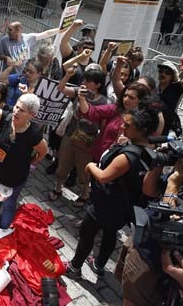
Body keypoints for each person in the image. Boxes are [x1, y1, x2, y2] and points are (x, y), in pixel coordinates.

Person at [65, 105, 159, 280]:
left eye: (128, 125)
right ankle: (99, 264)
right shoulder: (152, 152)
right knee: (110, 234)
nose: (122, 127)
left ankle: (74, 267)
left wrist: (91, 166)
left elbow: (103, 177)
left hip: (106, 203)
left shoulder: (128, 156)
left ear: (142, 130)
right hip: (124, 205)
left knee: (86, 234)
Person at [116, 158, 183, 306]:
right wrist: (158, 164)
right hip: (142, 241)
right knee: (125, 287)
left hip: (157, 264)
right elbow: (149, 191)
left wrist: (174, 183)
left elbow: (168, 225)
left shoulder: (179, 176)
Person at [0, 91, 48, 228]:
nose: (16, 112)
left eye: (22, 110)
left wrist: (31, 164)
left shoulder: (34, 134)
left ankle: (2, 229)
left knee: (8, 204)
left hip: (14, 178)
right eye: (17, 107)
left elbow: (43, 152)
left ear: (32, 115)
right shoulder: (5, 117)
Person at [48, 65, 107, 207]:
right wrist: (67, 75)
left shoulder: (103, 102)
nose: (84, 82)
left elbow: (103, 125)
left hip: (87, 142)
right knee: (62, 165)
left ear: (98, 85)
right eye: (84, 79)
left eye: (89, 80)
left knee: (83, 171)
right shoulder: (79, 91)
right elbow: (61, 89)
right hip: (70, 136)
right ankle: (58, 189)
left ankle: (84, 194)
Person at [157, 60, 183, 134]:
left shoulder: (177, 88)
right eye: (161, 71)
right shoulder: (154, 88)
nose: (163, 74)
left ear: (172, 76)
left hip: (167, 124)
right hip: (152, 122)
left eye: (167, 73)